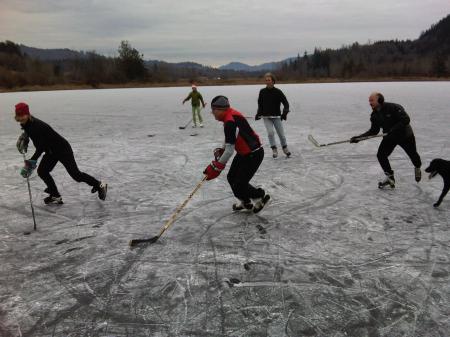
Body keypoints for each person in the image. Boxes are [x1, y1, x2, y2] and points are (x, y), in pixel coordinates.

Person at [14, 102, 107, 204]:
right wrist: (25, 136)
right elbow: (31, 133)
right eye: (19, 115)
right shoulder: (28, 124)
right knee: (42, 171)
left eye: (23, 115)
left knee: (76, 175)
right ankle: (55, 195)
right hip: (51, 151)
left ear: (27, 114)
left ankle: (99, 184)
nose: (21, 118)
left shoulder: (36, 126)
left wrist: (31, 163)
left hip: (62, 150)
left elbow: (41, 147)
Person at [203, 95, 270, 213]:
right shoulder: (230, 115)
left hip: (253, 154)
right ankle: (246, 201)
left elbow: (229, 150)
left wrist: (216, 167)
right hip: (244, 153)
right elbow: (231, 139)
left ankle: (259, 196)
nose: (212, 113)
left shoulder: (229, 121)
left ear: (220, 109)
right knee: (231, 178)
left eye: (213, 110)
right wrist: (222, 149)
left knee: (240, 183)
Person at [350, 92, 422, 189]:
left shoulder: (393, 107)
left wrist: (394, 129)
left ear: (380, 100)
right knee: (381, 155)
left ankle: (417, 167)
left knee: (413, 154)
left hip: (405, 136)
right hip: (390, 137)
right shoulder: (374, 115)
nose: (370, 103)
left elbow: (406, 119)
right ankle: (390, 178)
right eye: (369, 101)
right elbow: (374, 131)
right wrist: (359, 138)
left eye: (372, 100)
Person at [255, 72, 291, 158]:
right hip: (266, 117)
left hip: (276, 117)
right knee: (270, 133)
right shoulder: (262, 92)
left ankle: (285, 148)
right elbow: (260, 104)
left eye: (269, 80)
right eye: (266, 80)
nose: (267, 81)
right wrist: (258, 113)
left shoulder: (278, 92)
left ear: (273, 81)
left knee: (281, 134)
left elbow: (286, 103)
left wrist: (284, 113)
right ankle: (274, 150)